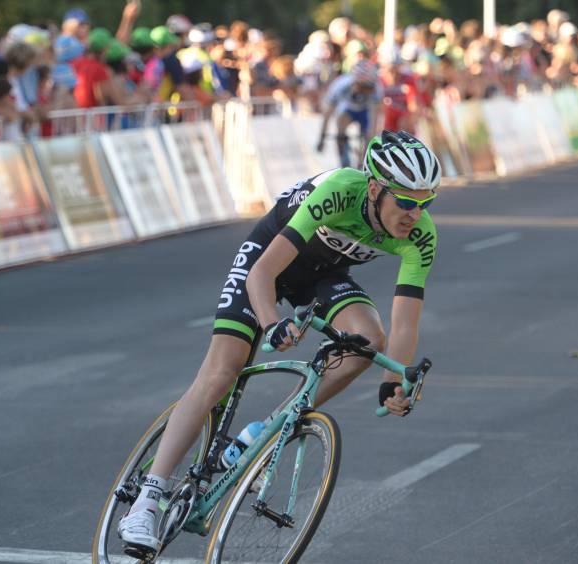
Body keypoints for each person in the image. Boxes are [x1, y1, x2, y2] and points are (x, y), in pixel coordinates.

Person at [117, 130, 442, 554]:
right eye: (405, 201)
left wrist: (392, 381)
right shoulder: (340, 192)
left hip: (322, 276)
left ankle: (264, 430)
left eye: (426, 202)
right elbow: (263, 275)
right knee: (222, 372)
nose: (415, 213)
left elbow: (404, 324)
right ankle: (147, 500)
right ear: (376, 187)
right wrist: (272, 325)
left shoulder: (422, 236)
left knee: (368, 339)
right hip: (266, 261)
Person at [316, 58, 383, 167]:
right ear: (355, 81)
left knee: (368, 136)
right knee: (340, 126)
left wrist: (370, 141)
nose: (366, 91)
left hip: (365, 111)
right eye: (363, 87)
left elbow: (374, 119)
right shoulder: (340, 86)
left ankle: (363, 164)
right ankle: (344, 161)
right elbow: (327, 115)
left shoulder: (376, 89)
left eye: (369, 88)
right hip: (348, 110)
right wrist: (322, 137)